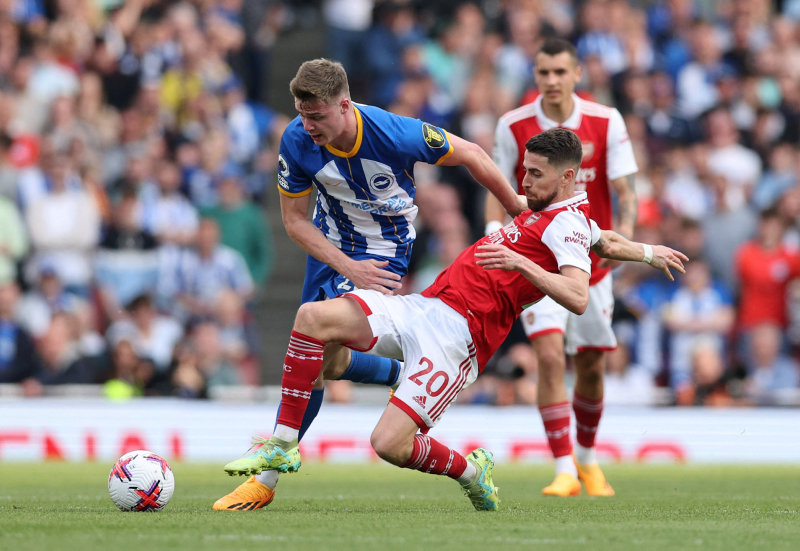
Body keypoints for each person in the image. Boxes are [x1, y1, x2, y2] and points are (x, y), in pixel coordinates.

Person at [215, 128, 686, 511]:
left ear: (567, 178)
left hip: (459, 341)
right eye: (523, 170)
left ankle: (469, 471)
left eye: (536, 175)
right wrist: (646, 251)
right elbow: (602, 241)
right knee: (314, 320)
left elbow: (579, 296)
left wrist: (521, 264)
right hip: (426, 307)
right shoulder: (559, 212)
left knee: (388, 445)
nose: (523, 183)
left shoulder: (565, 225)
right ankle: (281, 443)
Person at [213, 57, 527, 510]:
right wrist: (344, 265)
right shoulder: (296, 140)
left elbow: (475, 155)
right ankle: (403, 373)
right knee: (327, 367)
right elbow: (295, 222)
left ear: (345, 105)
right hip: (330, 252)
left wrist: (516, 207)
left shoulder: (394, 132)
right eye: (302, 114)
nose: (308, 125)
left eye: (317, 116)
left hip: (381, 256)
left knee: (313, 325)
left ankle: (268, 473)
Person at [486, 38, 639, 497]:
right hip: (538, 261)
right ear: (535, 75)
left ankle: (589, 460)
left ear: (576, 75)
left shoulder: (606, 120)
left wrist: (623, 245)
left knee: (591, 365)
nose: (551, 81)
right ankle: (564, 468)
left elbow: (626, 194)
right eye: (543, 72)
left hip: (594, 264)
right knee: (549, 356)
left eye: (560, 72)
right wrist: (494, 229)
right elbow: (498, 188)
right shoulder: (512, 124)